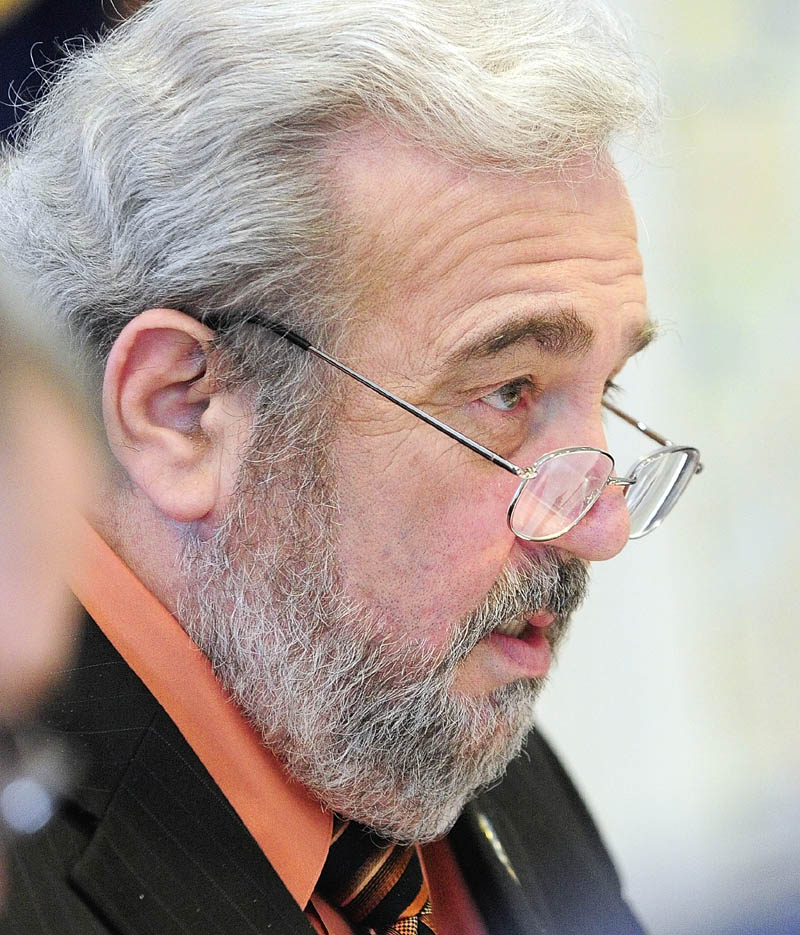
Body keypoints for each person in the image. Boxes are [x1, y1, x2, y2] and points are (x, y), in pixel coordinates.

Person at [0, 0, 702, 932]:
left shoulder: (417, 707)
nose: (601, 525)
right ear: (182, 413)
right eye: (511, 391)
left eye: (605, 387)